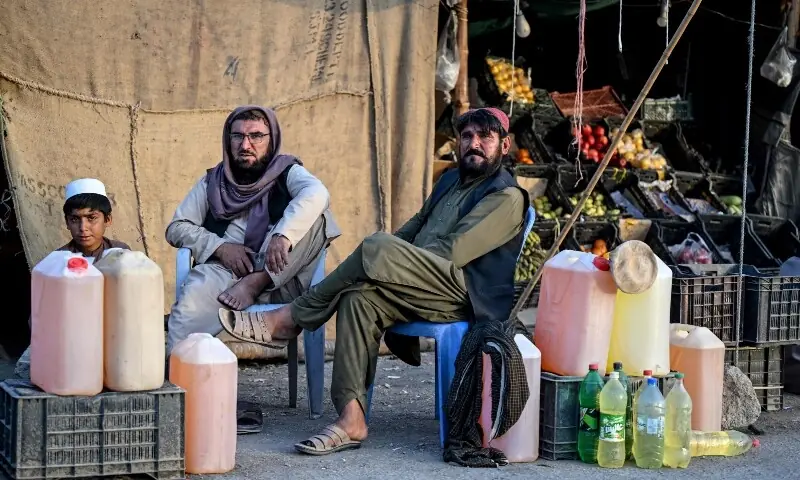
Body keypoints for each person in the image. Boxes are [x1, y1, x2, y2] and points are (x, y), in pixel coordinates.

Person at [218, 107, 530, 456]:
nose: (474, 144)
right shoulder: (449, 181)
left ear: (504, 147)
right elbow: (414, 226)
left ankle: (293, 317)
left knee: (376, 246)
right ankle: (352, 418)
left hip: (463, 292)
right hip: (422, 280)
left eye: (485, 137)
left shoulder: (507, 196)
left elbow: (453, 253)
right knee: (358, 298)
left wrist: (388, 256)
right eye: (467, 136)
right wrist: (388, 260)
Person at [165, 105, 340, 353]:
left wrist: (283, 235)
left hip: (281, 276)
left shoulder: (287, 172)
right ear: (228, 140)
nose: (246, 145)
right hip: (226, 276)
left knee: (321, 217)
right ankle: (181, 388)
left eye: (256, 136)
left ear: (271, 140)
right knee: (186, 322)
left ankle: (257, 281)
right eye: (238, 136)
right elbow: (177, 227)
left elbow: (317, 193)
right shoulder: (213, 182)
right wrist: (221, 247)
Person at [16, 178, 130, 378]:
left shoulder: (123, 254)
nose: (83, 227)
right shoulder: (57, 263)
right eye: (75, 219)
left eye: (91, 218)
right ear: (67, 223)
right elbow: (40, 317)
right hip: (70, 341)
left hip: (115, 337)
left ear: (108, 220)